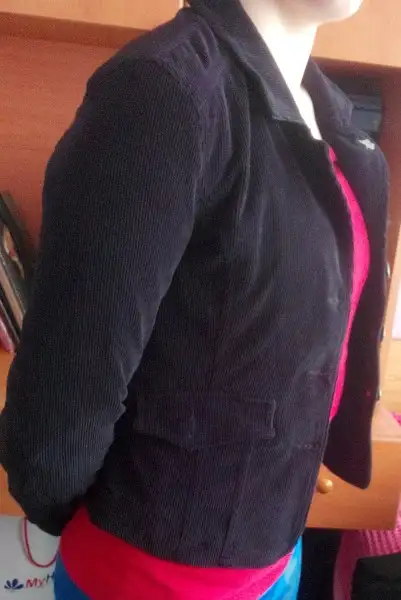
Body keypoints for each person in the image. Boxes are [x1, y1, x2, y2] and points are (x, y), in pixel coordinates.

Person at [0, 0, 388, 598]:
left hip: (275, 552)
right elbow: (64, 401)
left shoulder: (332, 122)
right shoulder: (166, 92)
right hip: (150, 573)